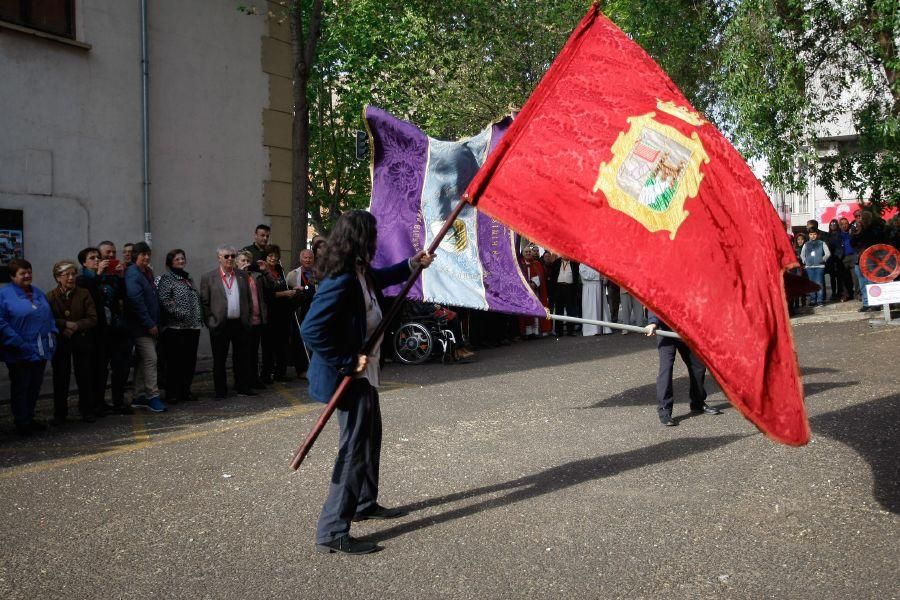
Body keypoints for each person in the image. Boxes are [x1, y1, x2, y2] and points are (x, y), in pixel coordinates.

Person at [301, 210, 434, 555]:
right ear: (360, 239)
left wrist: (412, 264)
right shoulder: (341, 279)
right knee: (354, 448)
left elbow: (382, 276)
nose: (376, 241)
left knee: (370, 436)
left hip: (364, 372)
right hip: (348, 376)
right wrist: (348, 361)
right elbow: (311, 329)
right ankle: (332, 530)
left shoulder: (360, 270)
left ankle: (363, 502)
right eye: (372, 235)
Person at [0, 259, 57, 435]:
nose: (27, 276)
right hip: (19, 350)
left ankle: (30, 417)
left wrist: (53, 332)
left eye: (29, 272)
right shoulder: (4, 294)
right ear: (12, 276)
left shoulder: (37, 292)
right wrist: (18, 342)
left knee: (34, 386)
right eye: (22, 273)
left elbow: (48, 315)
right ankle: (21, 422)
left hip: (39, 349)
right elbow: (1, 322)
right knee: (21, 387)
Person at [645, 311, 721, 426]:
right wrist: (653, 322)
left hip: (686, 331)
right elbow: (654, 301)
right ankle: (664, 410)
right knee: (666, 370)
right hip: (666, 332)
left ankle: (698, 403)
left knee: (698, 366)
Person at [200, 245, 256, 399]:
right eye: (226, 256)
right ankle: (220, 390)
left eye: (232, 256)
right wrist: (211, 322)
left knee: (242, 357)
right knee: (219, 359)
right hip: (220, 324)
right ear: (219, 258)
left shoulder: (242, 276)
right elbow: (204, 303)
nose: (230, 259)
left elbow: (248, 299)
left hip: (239, 323)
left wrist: (248, 318)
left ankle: (242, 387)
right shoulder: (208, 277)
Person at [48, 260, 98, 424]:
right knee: (60, 377)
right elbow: (48, 318)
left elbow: (92, 318)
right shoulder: (50, 296)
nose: (71, 277)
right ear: (57, 278)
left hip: (81, 340)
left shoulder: (84, 294)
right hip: (61, 341)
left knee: (84, 375)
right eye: (66, 274)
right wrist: (64, 325)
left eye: (73, 274)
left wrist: (76, 325)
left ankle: (86, 410)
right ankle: (60, 413)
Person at [157, 249, 202, 404]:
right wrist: (180, 313)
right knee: (174, 362)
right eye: (177, 259)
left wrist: (198, 317)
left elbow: (196, 299)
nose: (181, 261)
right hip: (175, 328)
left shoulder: (188, 278)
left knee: (189, 362)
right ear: (170, 262)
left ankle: (185, 391)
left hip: (192, 327)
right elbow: (164, 300)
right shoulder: (167, 278)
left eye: (182, 258)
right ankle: (172, 393)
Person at [125, 242, 166, 412]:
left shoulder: (146, 272)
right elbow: (136, 301)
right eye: (143, 255)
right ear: (136, 256)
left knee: (143, 361)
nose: (147, 257)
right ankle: (152, 396)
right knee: (151, 359)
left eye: (148, 254)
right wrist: (149, 323)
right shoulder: (133, 274)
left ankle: (139, 395)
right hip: (140, 327)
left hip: (150, 324)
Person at [95, 241, 133, 413]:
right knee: (100, 370)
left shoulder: (117, 275)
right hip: (102, 331)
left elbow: (125, 298)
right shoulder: (90, 276)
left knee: (121, 368)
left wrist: (121, 277)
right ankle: (99, 403)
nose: (111, 256)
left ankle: (118, 401)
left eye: (113, 253)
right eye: (106, 253)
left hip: (119, 328)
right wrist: (98, 273)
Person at [260, 244, 296, 383]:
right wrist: (285, 293)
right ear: (266, 257)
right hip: (270, 313)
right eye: (270, 256)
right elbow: (267, 294)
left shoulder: (279, 269)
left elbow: (284, 286)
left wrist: (293, 289)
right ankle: (266, 374)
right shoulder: (263, 272)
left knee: (282, 344)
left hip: (283, 312)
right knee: (269, 346)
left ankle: (280, 373)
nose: (273, 258)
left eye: (275, 256)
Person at [237, 250, 268, 389]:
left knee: (255, 352)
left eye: (248, 261)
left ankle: (254, 378)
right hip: (244, 321)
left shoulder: (255, 277)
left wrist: (265, 272)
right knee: (245, 353)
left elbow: (269, 288)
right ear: (237, 263)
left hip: (257, 319)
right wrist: (242, 274)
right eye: (242, 260)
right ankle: (245, 381)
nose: (245, 263)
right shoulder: (237, 277)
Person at [286, 248, 317, 378]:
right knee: (300, 341)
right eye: (305, 257)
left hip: (315, 311)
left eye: (310, 257)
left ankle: (315, 368)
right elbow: (287, 292)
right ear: (300, 259)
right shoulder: (292, 274)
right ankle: (302, 369)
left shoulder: (319, 273)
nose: (308, 260)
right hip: (300, 312)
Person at [851, 210, 886, 312]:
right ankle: (866, 303)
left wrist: (862, 231)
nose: (861, 219)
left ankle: (875, 303)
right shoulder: (858, 230)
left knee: (872, 282)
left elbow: (874, 241)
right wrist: (855, 233)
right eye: (860, 217)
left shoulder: (875, 229)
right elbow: (853, 244)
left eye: (863, 218)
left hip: (872, 260)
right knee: (862, 283)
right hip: (859, 260)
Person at [519, 246, 551, 338]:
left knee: (536, 310)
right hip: (524, 294)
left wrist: (534, 283)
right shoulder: (520, 264)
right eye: (526, 252)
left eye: (529, 252)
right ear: (523, 253)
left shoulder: (537, 264)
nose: (528, 253)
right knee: (526, 312)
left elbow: (540, 276)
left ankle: (536, 331)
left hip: (535, 292)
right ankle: (528, 332)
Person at [550, 256, 580, 336]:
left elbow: (576, 277)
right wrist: (553, 291)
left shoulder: (574, 264)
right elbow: (552, 277)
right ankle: (559, 331)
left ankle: (571, 331)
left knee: (571, 310)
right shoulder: (556, 262)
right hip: (559, 288)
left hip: (570, 288)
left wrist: (576, 290)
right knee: (559, 310)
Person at [578, 263, 610, 335]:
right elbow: (585, 274)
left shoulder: (598, 261)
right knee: (591, 309)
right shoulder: (583, 263)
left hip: (599, 286)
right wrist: (598, 275)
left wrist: (604, 278)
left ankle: (604, 328)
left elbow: (605, 272)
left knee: (600, 308)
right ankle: (591, 329)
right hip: (589, 288)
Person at [800, 229, 830, 307]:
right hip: (809, 267)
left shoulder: (822, 243)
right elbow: (802, 254)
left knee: (819, 283)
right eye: (811, 234)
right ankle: (813, 300)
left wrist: (822, 259)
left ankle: (820, 300)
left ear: (817, 235)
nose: (813, 236)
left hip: (819, 266)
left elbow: (827, 253)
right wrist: (804, 261)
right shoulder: (806, 244)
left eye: (814, 234)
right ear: (808, 235)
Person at [824, 219, 845, 302]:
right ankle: (833, 293)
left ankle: (840, 292)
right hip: (831, 259)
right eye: (831, 224)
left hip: (839, 258)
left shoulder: (840, 235)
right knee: (832, 277)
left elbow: (841, 246)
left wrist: (840, 256)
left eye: (834, 224)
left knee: (839, 277)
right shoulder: (828, 235)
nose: (833, 225)